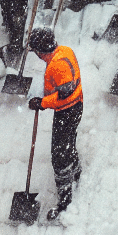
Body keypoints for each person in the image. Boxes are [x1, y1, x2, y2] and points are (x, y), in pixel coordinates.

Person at [27, 27, 83, 220]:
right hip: (74, 108)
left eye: (35, 51)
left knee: (59, 156)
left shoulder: (57, 65)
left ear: (41, 51)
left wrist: (42, 103)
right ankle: (76, 172)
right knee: (68, 144)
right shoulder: (64, 51)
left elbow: (64, 94)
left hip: (67, 111)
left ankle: (65, 200)